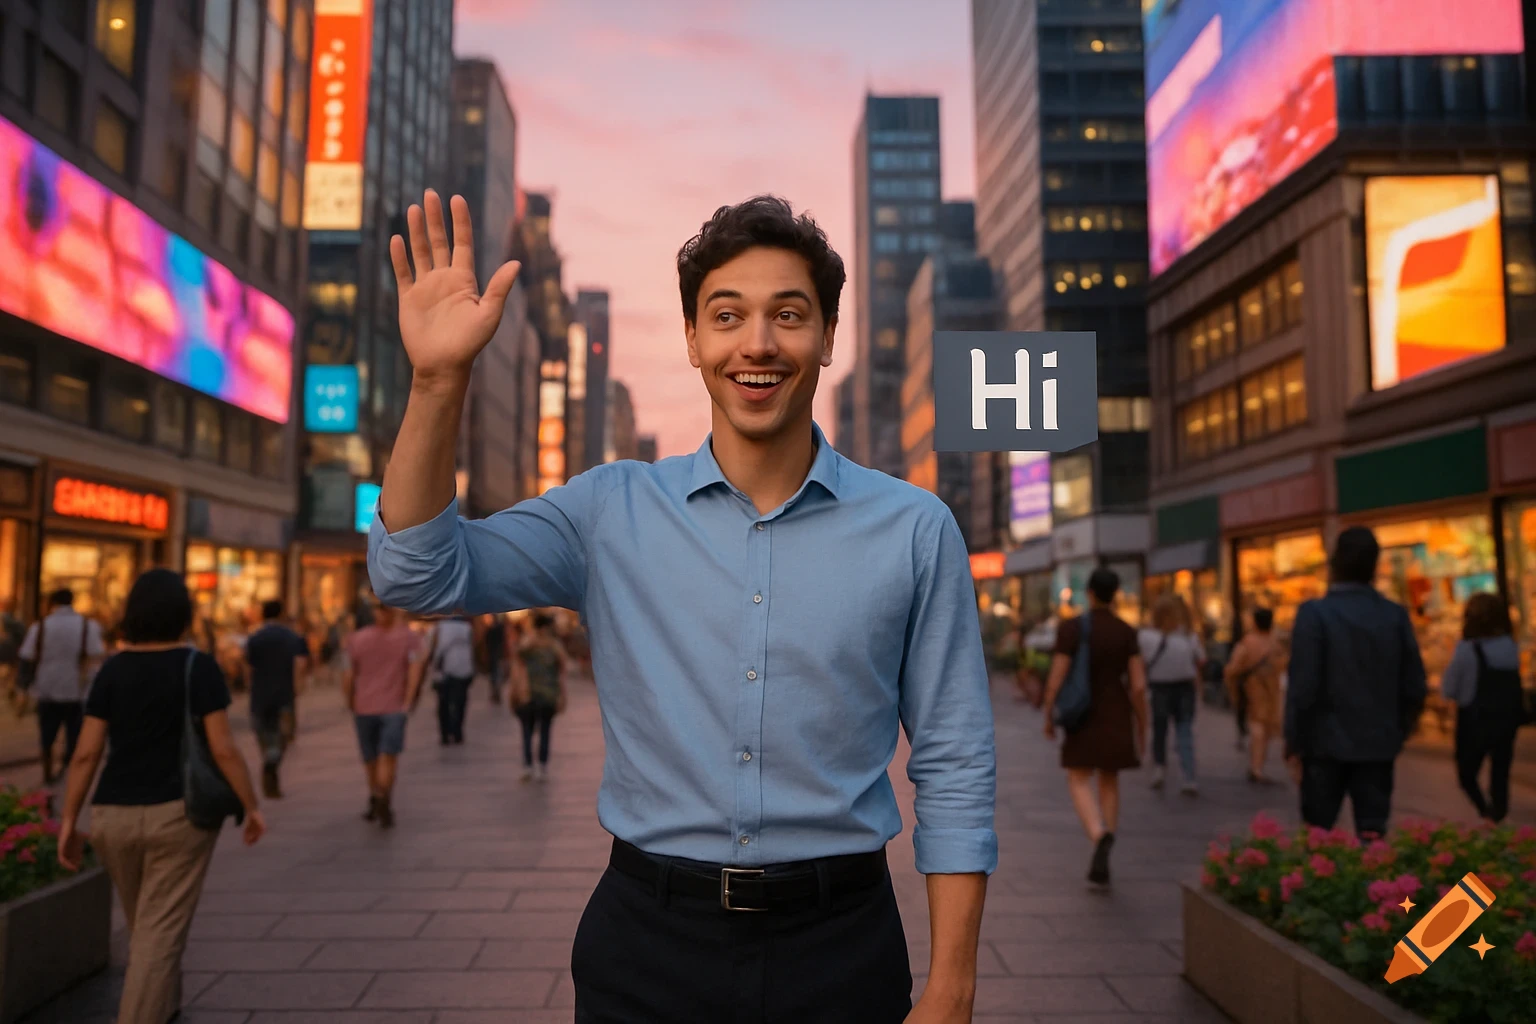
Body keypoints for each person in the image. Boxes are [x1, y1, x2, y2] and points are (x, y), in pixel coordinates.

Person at [367, 190, 996, 1022]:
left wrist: (952, 987)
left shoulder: (914, 528)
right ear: (694, 340)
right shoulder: (609, 510)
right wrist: (437, 380)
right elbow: (414, 574)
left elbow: (954, 759)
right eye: (727, 316)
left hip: (842, 946)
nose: (758, 343)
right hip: (647, 946)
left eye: (789, 315)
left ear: (827, 337)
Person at [55, 569, 265, 1024]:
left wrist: (69, 819)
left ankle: (165, 1007)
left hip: (113, 816)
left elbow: (86, 754)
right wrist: (251, 805)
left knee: (147, 929)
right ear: (182, 614)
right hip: (178, 815)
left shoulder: (112, 670)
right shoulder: (197, 666)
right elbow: (223, 749)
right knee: (158, 934)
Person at [1285, 526, 1427, 839]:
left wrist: (1294, 741)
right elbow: (1415, 684)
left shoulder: (1314, 614)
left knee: (1318, 838)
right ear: (1374, 566)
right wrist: (1398, 730)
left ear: (1334, 563)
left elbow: (1303, 688)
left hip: (1323, 745)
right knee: (1373, 837)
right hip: (1377, 743)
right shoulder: (1394, 615)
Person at [1041, 568, 1147, 888]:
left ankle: (1098, 834)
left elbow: (1058, 674)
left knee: (1078, 776)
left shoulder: (1073, 628)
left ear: (1089, 593)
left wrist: (1049, 710)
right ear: (1115, 594)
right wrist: (1143, 723)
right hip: (1117, 712)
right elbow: (1138, 686)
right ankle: (1107, 840)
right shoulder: (1126, 631)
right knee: (1109, 779)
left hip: (1083, 714)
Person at [341, 602, 425, 828]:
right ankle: (383, 797)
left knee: (370, 758)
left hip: (364, 707)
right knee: (388, 757)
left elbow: (348, 675)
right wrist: (408, 702)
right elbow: (415, 671)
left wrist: (350, 701)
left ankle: (376, 795)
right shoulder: (409, 638)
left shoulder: (356, 639)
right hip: (394, 708)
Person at [1441, 592, 1523, 824]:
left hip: (1474, 720)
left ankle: (1485, 812)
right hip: (1506, 718)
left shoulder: (1467, 649)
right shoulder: (1509, 646)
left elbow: (1449, 688)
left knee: (1467, 774)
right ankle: (1499, 813)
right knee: (1500, 771)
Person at [17, 588, 105, 784]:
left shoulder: (40, 626)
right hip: (76, 690)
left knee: (47, 734)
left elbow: (26, 656)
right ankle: (69, 773)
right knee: (74, 735)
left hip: (46, 688)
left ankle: (48, 774)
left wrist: (23, 687)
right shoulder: (87, 626)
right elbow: (96, 653)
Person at [1137, 594, 1205, 795]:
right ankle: (1189, 776)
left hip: (1159, 689)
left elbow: (1140, 663)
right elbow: (1201, 661)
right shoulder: (1189, 637)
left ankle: (1159, 768)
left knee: (1160, 730)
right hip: (1184, 689)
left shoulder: (1146, 637)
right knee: (1184, 731)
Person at [243, 600, 311, 798]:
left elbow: (247, 667)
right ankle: (272, 762)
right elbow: (301, 663)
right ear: (281, 614)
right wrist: (298, 686)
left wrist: (249, 686)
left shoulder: (255, 638)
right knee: (284, 735)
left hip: (260, 695)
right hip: (284, 695)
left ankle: (268, 759)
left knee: (262, 731)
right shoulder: (293, 637)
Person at [1225, 607, 1285, 784]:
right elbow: (1284, 664)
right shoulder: (1276, 644)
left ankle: (1256, 766)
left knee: (1257, 726)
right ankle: (1258, 765)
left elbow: (1233, 669)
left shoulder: (1248, 642)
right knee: (1265, 729)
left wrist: (1233, 688)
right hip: (1271, 691)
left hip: (1253, 690)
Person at [512, 611, 567, 781]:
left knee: (528, 731)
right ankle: (541, 766)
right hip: (545, 694)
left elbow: (517, 657)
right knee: (543, 730)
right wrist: (562, 693)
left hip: (528, 694)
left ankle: (529, 766)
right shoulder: (554, 645)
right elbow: (562, 667)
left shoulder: (528, 643)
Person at [425, 614, 476, 744]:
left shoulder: (439, 627)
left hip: (445, 671)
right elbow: (473, 647)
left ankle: (445, 733)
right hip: (464, 669)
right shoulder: (467, 627)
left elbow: (432, 648)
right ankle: (457, 731)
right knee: (460, 702)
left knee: (443, 703)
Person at [483, 612, 507, 706]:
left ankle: (495, 692)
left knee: (495, 674)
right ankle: (496, 692)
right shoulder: (498, 628)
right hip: (496, 654)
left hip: (494, 654)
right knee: (496, 674)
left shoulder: (491, 629)